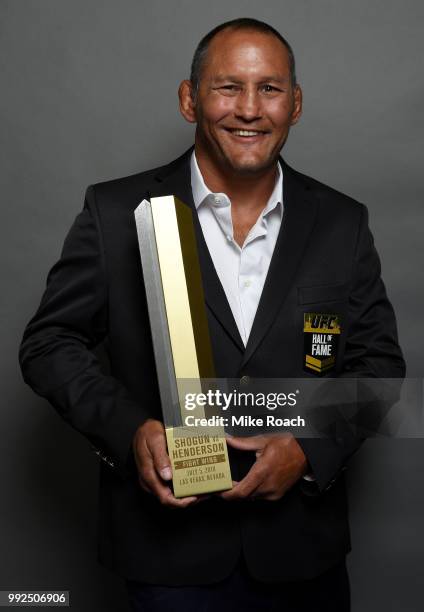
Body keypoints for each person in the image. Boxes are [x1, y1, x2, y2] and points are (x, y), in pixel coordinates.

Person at [19, 17, 405, 612]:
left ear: (295, 104)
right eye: (228, 87)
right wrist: (131, 432)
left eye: (270, 89)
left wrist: (307, 445)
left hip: (303, 554)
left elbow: (378, 367)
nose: (249, 109)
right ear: (188, 98)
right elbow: (51, 343)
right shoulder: (118, 210)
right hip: (167, 557)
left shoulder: (341, 221)